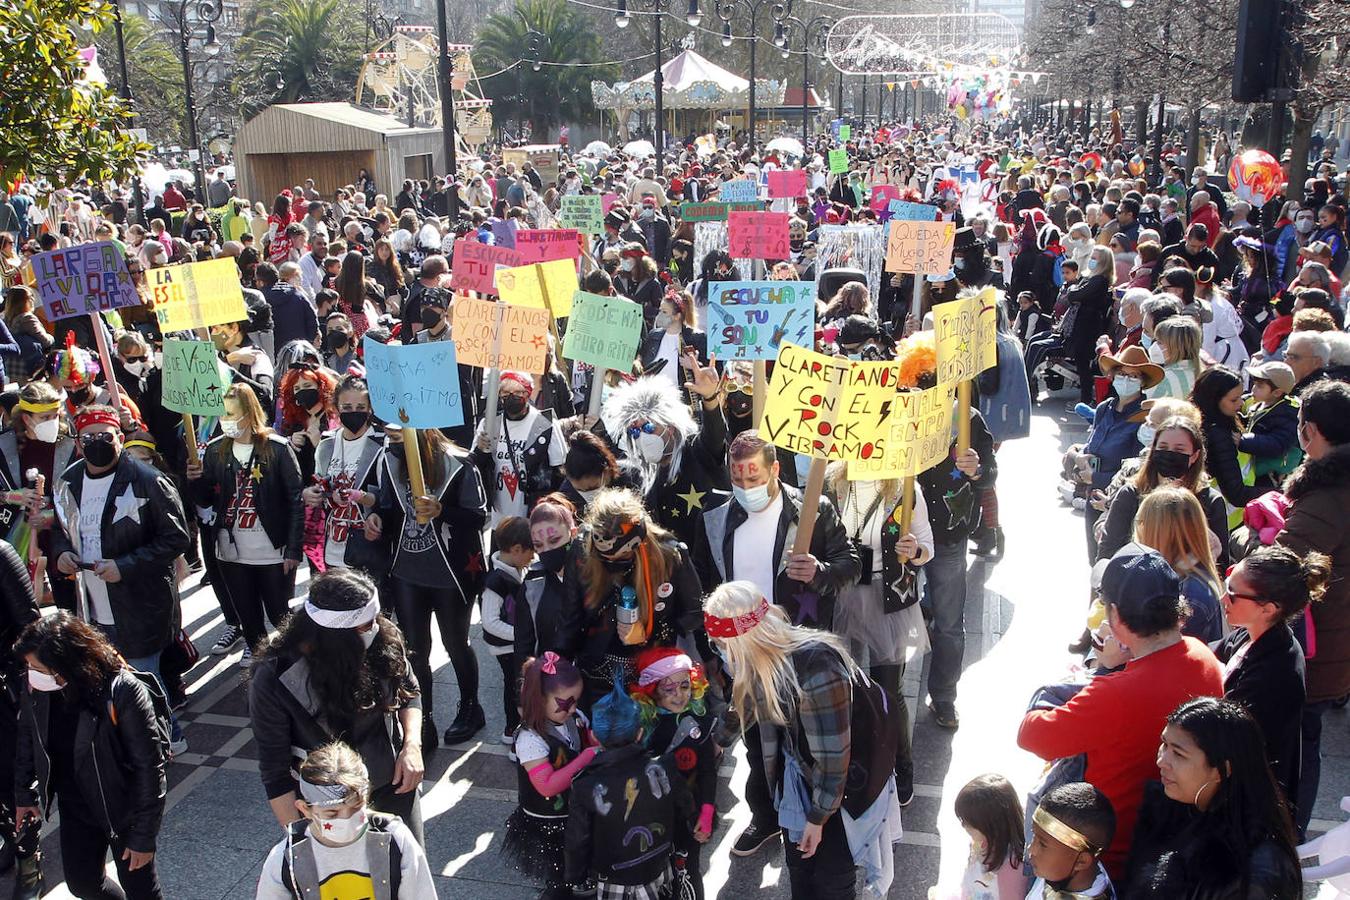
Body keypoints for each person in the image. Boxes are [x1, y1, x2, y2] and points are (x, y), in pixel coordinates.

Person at [1018, 543, 1224, 878]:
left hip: (1107, 857)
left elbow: (1031, 734)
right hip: (1168, 840)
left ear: (1115, 615)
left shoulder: (1115, 693)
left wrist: (1100, 671)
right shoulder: (1204, 657)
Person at [703, 580, 903, 900]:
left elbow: (834, 760)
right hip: (805, 778)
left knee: (830, 881)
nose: (721, 653)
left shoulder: (817, 670)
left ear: (743, 641)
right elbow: (746, 697)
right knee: (802, 876)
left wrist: (816, 819)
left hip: (842, 793)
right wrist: (716, 741)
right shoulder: (765, 658)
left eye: (721, 645)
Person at [248, 569, 425, 842]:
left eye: (375, 619)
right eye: (365, 626)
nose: (375, 628)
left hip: (392, 787)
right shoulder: (276, 677)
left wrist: (411, 746)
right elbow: (275, 772)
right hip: (328, 810)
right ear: (334, 636)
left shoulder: (382, 637)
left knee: (404, 875)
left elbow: (409, 691)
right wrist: (303, 845)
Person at [14, 613, 168, 900]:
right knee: (82, 884)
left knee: (142, 891)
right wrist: (23, 792)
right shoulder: (38, 687)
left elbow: (149, 767)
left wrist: (144, 836)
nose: (30, 674)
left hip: (123, 810)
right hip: (76, 805)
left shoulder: (122, 690)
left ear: (66, 665)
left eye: (37, 667)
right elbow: (28, 733)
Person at [364, 424, 488, 748]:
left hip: (451, 574)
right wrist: (376, 516)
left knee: (455, 642)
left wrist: (442, 511)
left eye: (397, 436)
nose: (391, 442)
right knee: (415, 651)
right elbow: (387, 506)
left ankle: (471, 707)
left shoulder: (460, 463)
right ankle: (425, 719)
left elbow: (479, 516)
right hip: (407, 571)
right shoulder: (388, 459)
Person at [51, 403, 190, 689]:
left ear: (120, 438)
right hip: (90, 607)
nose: (97, 444)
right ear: (78, 443)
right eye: (88, 438)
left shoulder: (150, 480)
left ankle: (168, 735)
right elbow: (60, 528)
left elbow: (176, 538)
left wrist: (124, 567)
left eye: (105, 437)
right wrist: (61, 552)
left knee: (144, 687)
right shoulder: (67, 483)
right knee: (111, 689)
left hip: (138, 609)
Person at [825, 463, 930, 802]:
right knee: (847, 687)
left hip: (888, 596)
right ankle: (858, 762)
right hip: (844, 594)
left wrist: (914, 550)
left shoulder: (905, 488)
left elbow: (927, 545)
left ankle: (902, 766)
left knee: (887, 688)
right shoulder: (832, 483)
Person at [1128, 697, 1302, 898]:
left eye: (1178, 754)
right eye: (1164, 745)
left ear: (1222, 770)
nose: (1161, 761)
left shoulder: (1253, 874)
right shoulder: (1174, 807)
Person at [1274, 379, 1350, 834]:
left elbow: (1280, 567)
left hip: (1318, 647)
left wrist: (1248, 539)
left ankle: (1289, 837)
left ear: (1310, 431)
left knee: (1299, 744)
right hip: (1338, 640)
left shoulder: (1326, 498)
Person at [187, 383, 304, 664]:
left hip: (271, 548)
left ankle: (298, 658)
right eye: (224, 414)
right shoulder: (216, 451)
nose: (227, 420)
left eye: (233, 413)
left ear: (250, 412)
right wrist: (194, 480)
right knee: (247, 614)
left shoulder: (276, 448)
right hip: (231, 550)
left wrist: (292, 550)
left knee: (279, 613)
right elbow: (205, 499)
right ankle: (261, 663)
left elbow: (295, 499)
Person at [559, 488, 709, 704]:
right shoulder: (582, 549)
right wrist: (556, 663)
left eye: (622, 556)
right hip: (595, 669)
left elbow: (694, 613)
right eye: (606, 558)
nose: (613, 563)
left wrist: (650, 631)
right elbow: (569, 617)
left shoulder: (670, 555)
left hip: (652, 673)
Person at [255, 740, 436, 899]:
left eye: (356, 807)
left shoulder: (396, 839)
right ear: (305, 809)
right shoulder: (286, 859)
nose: (347, 818)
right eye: (332, 813)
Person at [1216, 544, 1322, 806]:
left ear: (1269, 608)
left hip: (1250, 804)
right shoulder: (1249, 633)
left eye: (1233, 593)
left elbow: (1223, 733)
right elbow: (1209, 656)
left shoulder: (1276, 672)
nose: (1223, 598)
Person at [501, 653, 597, 900]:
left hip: (574, 811)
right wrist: (586, 757)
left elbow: (582, 738)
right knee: (559, 878)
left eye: (576, 700)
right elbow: (546, 786)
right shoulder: (530, 739)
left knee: (577, 868)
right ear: (539, 700)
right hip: (549, 823)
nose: (573, 708)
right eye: (565, 703)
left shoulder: (571, 718)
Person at [627, 647, 720, 900]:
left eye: (685, 686)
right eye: (669, 690)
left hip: (689, 816)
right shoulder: (643, 727)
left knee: (687, 872)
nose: (680, 695)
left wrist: (707, 812)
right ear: (652, 690)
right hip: (651, 819)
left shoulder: (698, 723)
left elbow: (708, 772)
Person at [599, 371, 728, 548]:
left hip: (713, 558)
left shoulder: (696, 450)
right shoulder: (639, 475)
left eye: (649, 427)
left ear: (671, 426)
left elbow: (715, 434)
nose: (642, 436)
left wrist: (710, 398)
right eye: (635, 431)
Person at [1094, 417, 1228, 566]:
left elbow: (1220, 565)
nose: (1170, 454)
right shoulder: (1131, 494)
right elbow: (1107, 553)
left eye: (1179, 450)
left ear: (1195, 456)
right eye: (1163, 448)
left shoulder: (1210, 501)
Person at [471, 371, 565, 525]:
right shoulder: (489, 424)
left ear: (528, 393)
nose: (511, 396)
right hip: (499, 515)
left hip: (534, 513)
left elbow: (559, 470)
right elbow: (474, 466)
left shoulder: (545, 425)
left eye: (517, 392)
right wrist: (480, 450)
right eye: (506, 392)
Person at [0, 538, 41, 892]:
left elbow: (30, 626)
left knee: (11, 777)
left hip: (3, 691)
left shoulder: (1, 553)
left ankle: (30, 859)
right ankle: (5, 841)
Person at [1133, 487, 1224, 643]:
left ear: (1160, 533)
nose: (1137, 530)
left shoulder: (1190, 593)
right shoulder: (1171, 575)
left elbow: (1170, 657)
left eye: (1141, 522)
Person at [480, 516, 532, 742]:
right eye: (531, 551)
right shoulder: (495, 582)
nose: (533, 557)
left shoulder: (515, 568)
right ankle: (512, 728)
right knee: (514, 686)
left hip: (515, 643)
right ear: (517, 549)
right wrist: (521, 635)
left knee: (518, 684)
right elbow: (489, 622)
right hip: (506, 647)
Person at [934, 773, 1025, 899]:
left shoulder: (1012, 867)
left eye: (969, 823)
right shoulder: (982, 841)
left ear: (993, 824)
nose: (963, 825)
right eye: (962, 819)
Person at [1025, 783, 1117, 898]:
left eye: (1042, 844)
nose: (1031, 849)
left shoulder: (1058, 870)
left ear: (1081, 861)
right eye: (1034, 835)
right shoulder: (1059, 870)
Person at [1189, 365, 1258, 512]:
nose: (1241, 403)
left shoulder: (1217, 420)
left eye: (1241, 396)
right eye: (1234, 400)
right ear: (1213, 400)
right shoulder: (1217, 434)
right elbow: (1237, 494)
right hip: (1225, 520)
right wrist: (1281, 492)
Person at [1146, 316, 1202, 400]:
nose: (1155, 346)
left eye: (1159, 342)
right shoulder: (1202, 374)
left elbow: (1145, 410)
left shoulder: (1163, 379)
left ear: (1177, 347)